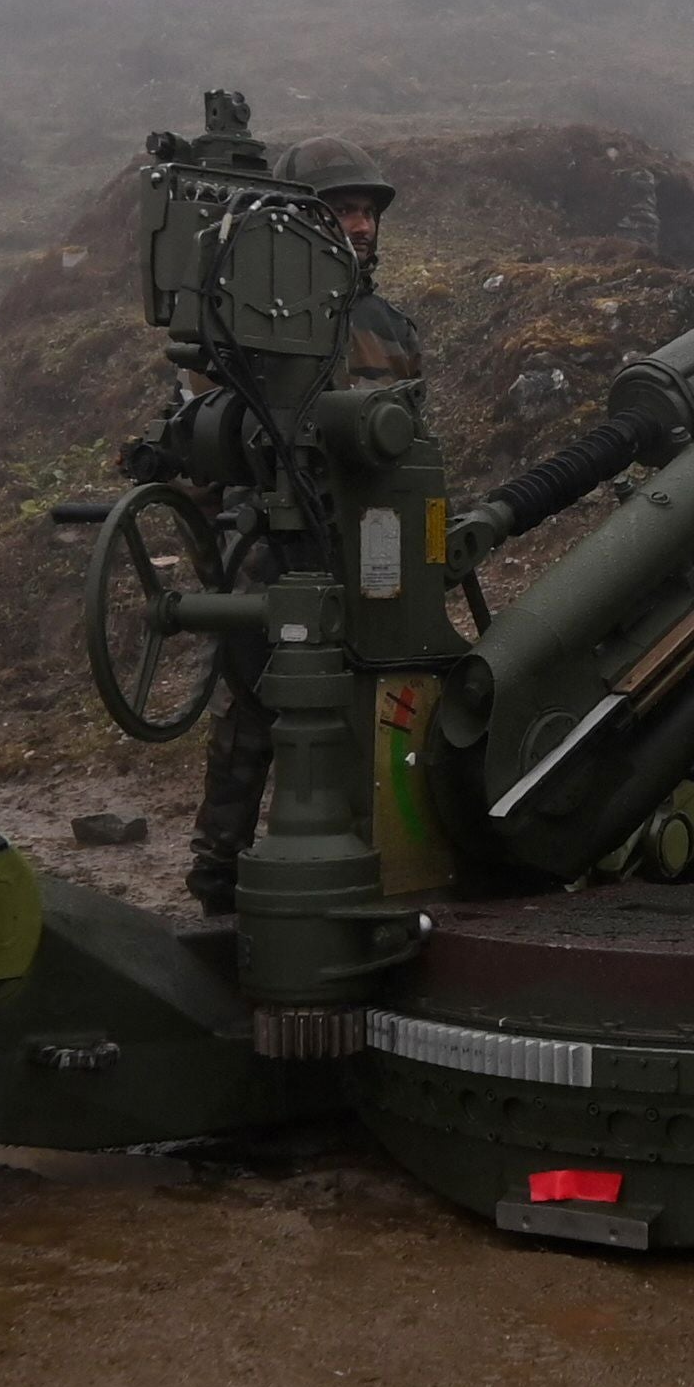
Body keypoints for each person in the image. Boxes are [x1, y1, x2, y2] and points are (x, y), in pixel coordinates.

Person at [184, 134, 426, 914]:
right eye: (339, 210)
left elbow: (414, 443)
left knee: (375, 697)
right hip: (270, 543)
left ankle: (375, 850)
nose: (359, 227)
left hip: (370, 540)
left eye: (366, 212)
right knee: (252, 705)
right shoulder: (245, 321)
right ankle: (219, 866)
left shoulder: (390, 329)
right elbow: (204, 436)